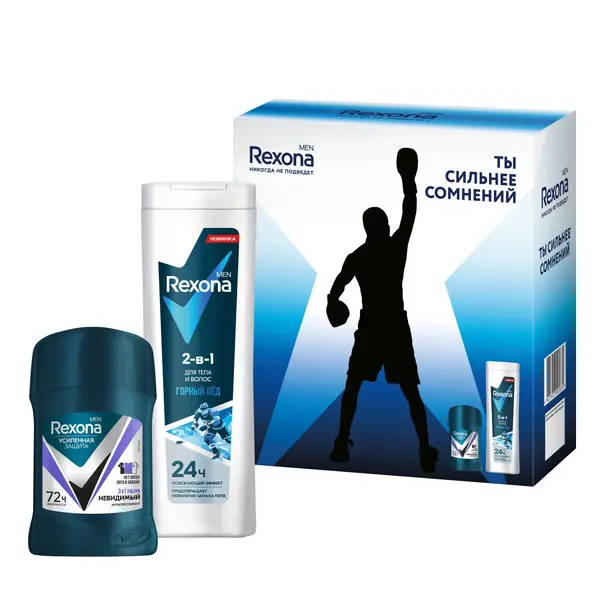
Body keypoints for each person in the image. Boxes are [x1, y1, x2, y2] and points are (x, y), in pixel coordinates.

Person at [326, 148, 439, 473]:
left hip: (371, 326)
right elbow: (410, 211)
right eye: (387, 223)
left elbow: (338, 285)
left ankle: (340, 443)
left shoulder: (357, 256)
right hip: (394, 326)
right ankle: (424, 450)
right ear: (383, 226)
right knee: (411, 393)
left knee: (353, 386)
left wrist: (332, 303)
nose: (390, 225)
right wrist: (408, 181)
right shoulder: (395, 246)